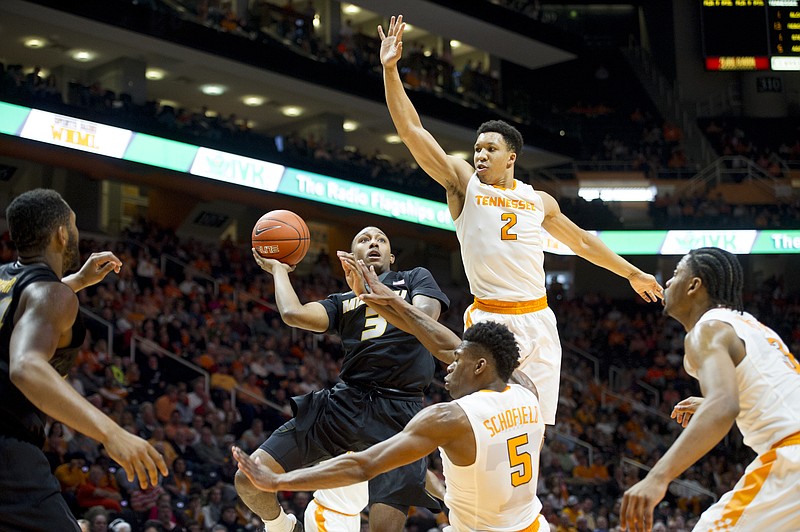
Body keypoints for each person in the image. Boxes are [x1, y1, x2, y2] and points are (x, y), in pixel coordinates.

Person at [378, 15, 663, 425]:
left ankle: (525, 492)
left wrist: (632, 273)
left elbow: (582, 243)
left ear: (511, 157)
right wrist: (391, 71)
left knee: (535, 425)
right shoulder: (464, 184)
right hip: (491, 316)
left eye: (490, 149)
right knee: (484, 419)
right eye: (477, 148)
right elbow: (412, 131)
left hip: (540, 319)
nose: (480, 155)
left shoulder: (539, 201)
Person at [233, 257, 548, 532]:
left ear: (480, 366)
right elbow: (445, 344)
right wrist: (377, 299)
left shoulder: (448, 418)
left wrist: (278, 482)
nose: (447, 368)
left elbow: (362, 466)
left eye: (456, 362)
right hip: (533, 524)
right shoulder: (527, 392)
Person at [235, 226, 450, 532]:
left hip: (400, 411)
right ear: (351, 257)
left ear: (392, 256)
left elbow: (425, 322)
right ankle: (282, 527)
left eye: (381, 239)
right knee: (247, 478)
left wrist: (373, 294)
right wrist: (279, 270)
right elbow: (293, 313)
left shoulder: (415, 278)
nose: (373, 243)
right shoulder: (341, 301)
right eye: (363, 239)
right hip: (345, 402)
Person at [0, 188, 169, 531]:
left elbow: (25, 304)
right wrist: (111, 433)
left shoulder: (7, 278)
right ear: (62, 234)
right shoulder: (52, 294)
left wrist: (75, 282)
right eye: (74, 225)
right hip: (7, 451)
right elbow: (25, 365)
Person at [620, 247, 800, 531]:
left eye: (677, 273)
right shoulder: (753, 327)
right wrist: (717, 401)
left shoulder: (707, 330)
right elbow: (779, 392)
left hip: (792, 458)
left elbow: (724, 406)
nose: (667, 281)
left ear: (694, 285)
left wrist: (658, 477)